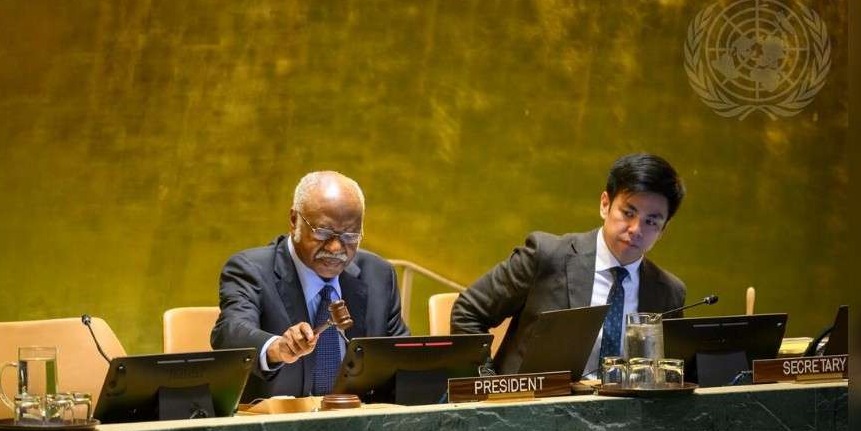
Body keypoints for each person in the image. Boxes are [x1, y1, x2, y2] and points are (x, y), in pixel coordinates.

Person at [451, 153, 686, 378]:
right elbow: (467, 312)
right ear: (605, 204)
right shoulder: (546, 256)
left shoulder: (669, 293)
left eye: (651, 222)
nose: (636, 229)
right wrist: (489, 384)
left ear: (663, 229)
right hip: (535, 402)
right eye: (628, 213)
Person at [212, 170, 409, 401]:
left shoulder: (378, 274)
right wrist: (277, 347)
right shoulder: (251, 270)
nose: (336, 248)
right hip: (277, 421)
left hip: (359, 419)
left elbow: (402, 357)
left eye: (350, 235)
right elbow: (230, 332)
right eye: (323, 232)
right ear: (294, 220)